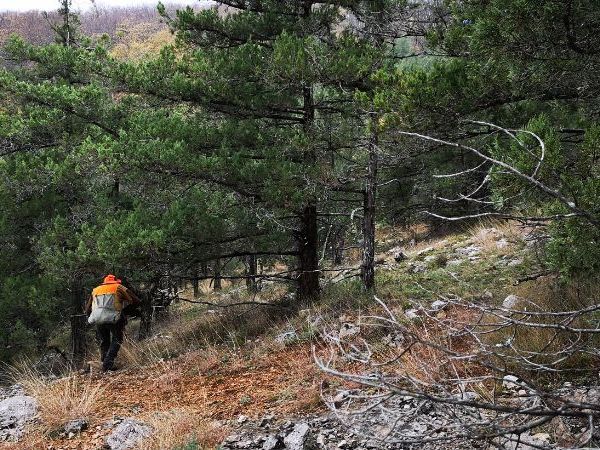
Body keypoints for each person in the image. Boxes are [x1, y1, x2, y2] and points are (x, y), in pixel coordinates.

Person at [85, 274, 141, 372]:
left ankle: (104, 363)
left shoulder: (96, 290)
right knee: (117, 339)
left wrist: (92, 316)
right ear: (116, 281)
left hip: (98, 319)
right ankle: (107, 364)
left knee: (104, 340)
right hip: (114, 318)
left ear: (105, 282)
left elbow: (87, 309)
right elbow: (136, 300)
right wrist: (125, 311)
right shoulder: (118, 287)